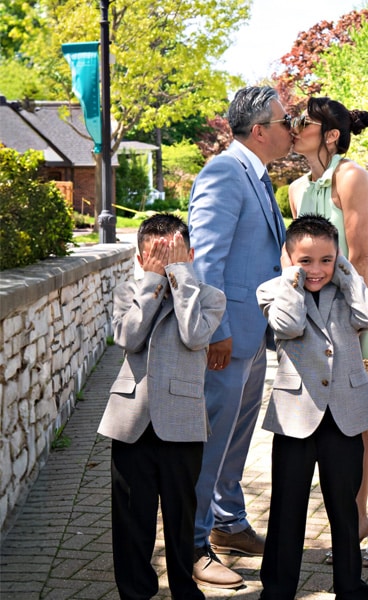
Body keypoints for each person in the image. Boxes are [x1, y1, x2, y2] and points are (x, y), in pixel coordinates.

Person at [288, 97, 368, 566]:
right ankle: (355, 518)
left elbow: (359, 257)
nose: (293, 128)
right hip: (327, 314)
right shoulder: (298, 188)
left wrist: (351, 326)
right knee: (350, 419)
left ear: (331, 135)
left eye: (304, 122)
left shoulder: (352, 176)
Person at [187, 86, 292, 589]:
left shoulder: (256, 174)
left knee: (236, 438)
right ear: (259, 130)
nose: (291, 127)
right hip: (227, 339)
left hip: (253, 336)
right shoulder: (224, 173)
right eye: (284, 120)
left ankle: (228, 524)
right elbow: (205, 259)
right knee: (210, 441)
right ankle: (193, 543)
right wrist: (217, 331)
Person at [257, 214, 368, 600]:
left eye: (326, 260)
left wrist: (346, 272)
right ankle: (278, 589)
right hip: (296, 414)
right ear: (289, 257)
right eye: (306, 261)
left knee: (344, 507)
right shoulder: (272, 290)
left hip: (345, 414)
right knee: (287, 506)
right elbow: (290, 326)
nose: (317, 269)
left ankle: (350, 586)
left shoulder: (348, 288)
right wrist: (291, 282)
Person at [97, 213, 226, 600]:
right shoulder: (128, 293)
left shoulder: (209, 297)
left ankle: (185, 589)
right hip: (132, 420)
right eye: (157, 255)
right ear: (140, 258)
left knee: (180, 516)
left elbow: (193, 334)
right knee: (131, 517)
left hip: (183, 422)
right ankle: (135, 592)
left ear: (190, 254)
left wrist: (181, 277)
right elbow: (129, 338)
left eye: (174, 254)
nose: (166, 262)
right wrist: (153, 283)